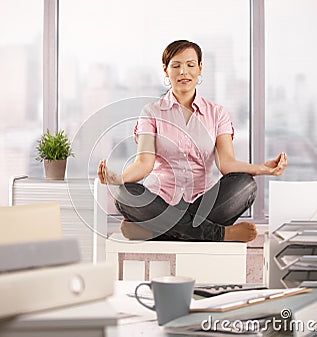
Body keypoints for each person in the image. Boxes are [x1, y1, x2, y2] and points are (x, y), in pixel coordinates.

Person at [97, 40, 287, 242]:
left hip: (204, 204)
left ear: (200, 68)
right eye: (176, 66)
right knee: (124, 193)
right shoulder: (151, 112)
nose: (183, 72)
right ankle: (219, 234)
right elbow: (144, 163)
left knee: (245, 184)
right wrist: (117, 178)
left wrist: (262, 169)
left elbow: (227, 164)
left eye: (190, 65)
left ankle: (158, 231)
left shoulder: (217, 113)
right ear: (166, 70)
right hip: (160, 202)